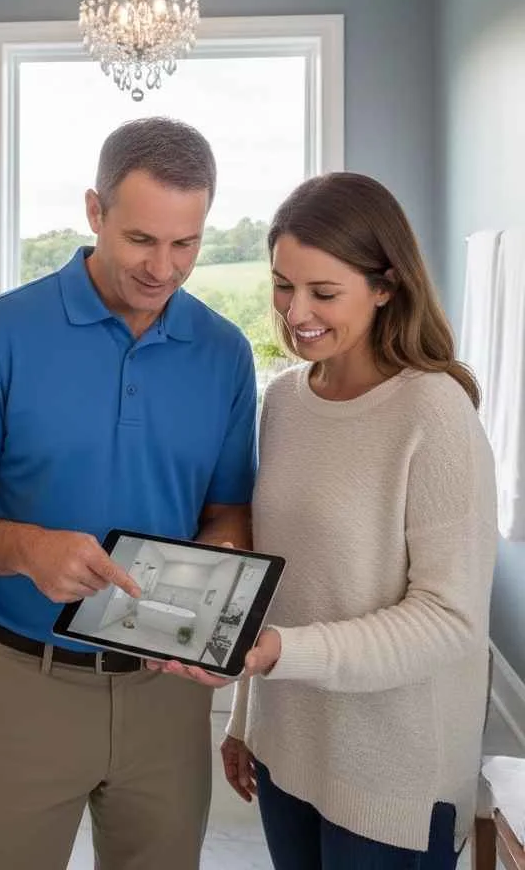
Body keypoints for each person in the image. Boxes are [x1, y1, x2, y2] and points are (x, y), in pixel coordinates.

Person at [0, 117, 258, 870]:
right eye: (140, 239)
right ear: (95, 211)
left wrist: (215, 568)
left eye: (186, 244)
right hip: (26, 686)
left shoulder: (225, 353)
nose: (163, 268)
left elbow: (228, 511)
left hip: (167, 695)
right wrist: (25, 547)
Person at [157, 172, 498, 869]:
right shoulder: (284, 400)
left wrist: (281, 652)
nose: (295, 311)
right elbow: (283, 579)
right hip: (290, 746)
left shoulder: (433, 413)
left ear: (385, 285)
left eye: (323, 292)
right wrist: (247, 719)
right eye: (284, 285)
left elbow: (449, 619)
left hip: (391, 772)